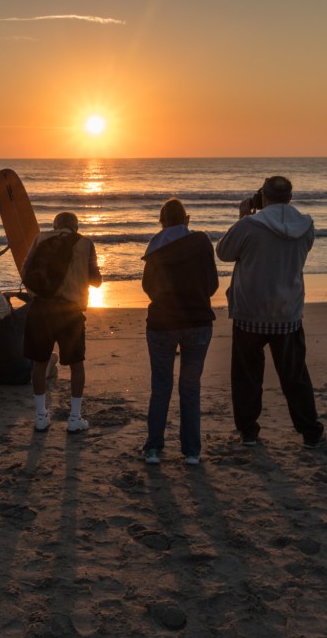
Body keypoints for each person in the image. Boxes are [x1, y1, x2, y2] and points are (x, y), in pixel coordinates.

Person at [215, 175, 325, 448]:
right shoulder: (305, 225)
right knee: (295, 376)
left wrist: (242, 216)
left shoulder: (250, 225)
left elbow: (224, 252)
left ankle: (249, 431)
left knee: (247, 376)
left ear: (262, 197)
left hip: (250, 309)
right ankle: (310, 431)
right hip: (287, 310)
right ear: (290, 197)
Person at [141, 199, 218, 466]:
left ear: (161, 221)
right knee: (190, 386)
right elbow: (211, 284)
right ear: (186, 219)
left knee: (161, 386)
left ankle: (153, 449)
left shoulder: (155, 246)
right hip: (197, 321)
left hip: (162, 323)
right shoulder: (201, 242)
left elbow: (148, 286)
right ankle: (192, 452)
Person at [22, 211, 102, 433]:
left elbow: (25, 270)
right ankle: (75, 417)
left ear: (55, 226)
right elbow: (96, 281)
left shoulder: (40, 239)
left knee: (39, 363)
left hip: (41, 310)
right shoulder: (86, 243)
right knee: (76, 364)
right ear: (75, 227)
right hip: (70, 311)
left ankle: (40, 416)